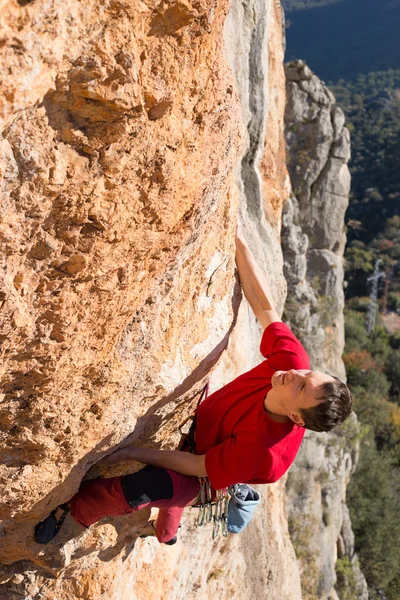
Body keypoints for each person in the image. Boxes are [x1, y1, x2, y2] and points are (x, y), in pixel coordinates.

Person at [34, 227, 352, 545]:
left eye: (300, 387)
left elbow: (197, 465)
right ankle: (167, 533)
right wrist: (237, 240)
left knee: (147, 489)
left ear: (297, 418)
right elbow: (265, 308)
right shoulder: (292, 362)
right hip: (207, 438)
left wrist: (133, 452)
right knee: (171, 507)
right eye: (307, 374)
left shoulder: (263, 454)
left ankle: (72, 511)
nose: (293, 374)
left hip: (205, 472)